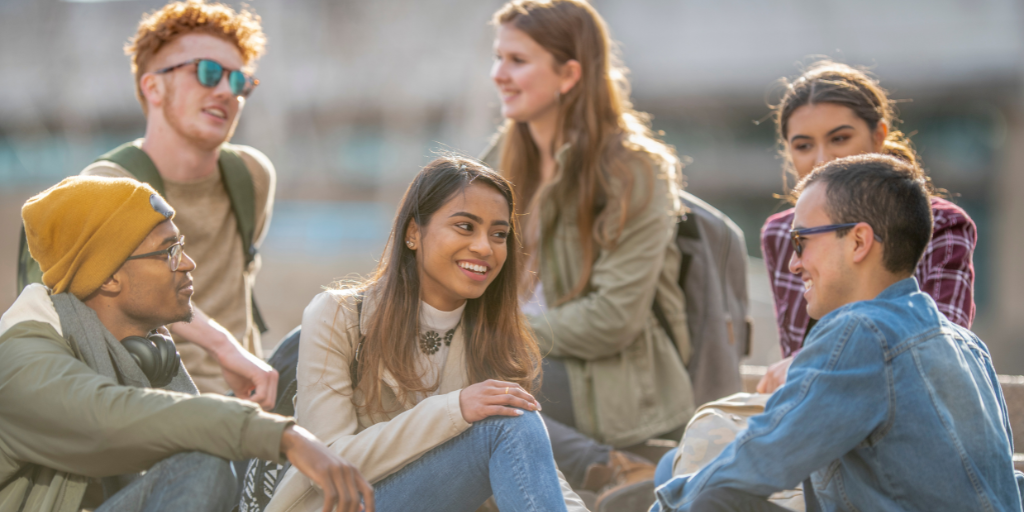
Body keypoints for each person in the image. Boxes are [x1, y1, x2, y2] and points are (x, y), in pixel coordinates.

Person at [653, 154, 1022, 512]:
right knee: (687, 478)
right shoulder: (967, 345)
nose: (793, 264)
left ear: (859, 242)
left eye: (801, 241)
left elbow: (765, 456)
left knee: (713, 500)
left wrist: (662, 506)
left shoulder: (862, 332)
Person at [0, 177, 372, 512]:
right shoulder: (21, 359)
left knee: (296, 350)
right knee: (201, 466)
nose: (188, 263)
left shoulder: (146, 349)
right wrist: (284, 436)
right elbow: (104, 418)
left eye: (181, 247)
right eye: (168, 252)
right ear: (109, 277)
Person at [266, 156, 587, 512]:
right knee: (506, 424)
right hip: (344, 505)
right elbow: (326, 461)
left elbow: (533, 468)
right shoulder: (337, 315)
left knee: (517, 422)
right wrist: (455, 409)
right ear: (413, 233)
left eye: (499, 234)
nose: (485, 247)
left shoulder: (495, 337)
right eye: (465, 226)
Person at [481, 0, 693, 504]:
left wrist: (496, 333)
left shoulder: (634, 169)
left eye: (517, 61)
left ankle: (610, 466)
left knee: (461, 380)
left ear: (569, 73)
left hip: (608, 379)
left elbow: (612, 318)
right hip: (520, 356)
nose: (498, 75)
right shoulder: (502, 156)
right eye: (498, 57)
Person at [81, 0, 280, 401]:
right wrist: (222, 345)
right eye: (207, 72)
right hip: (154, 412)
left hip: (251, 404)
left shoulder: (251, 175)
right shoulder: (107, 184)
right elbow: (133, 296)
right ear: (153, 86)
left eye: (239, 81)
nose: (226, 91)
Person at [757, 60, 977, 393]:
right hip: (821, 410)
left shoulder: (941, 224)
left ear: (878, 136)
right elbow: (794, 352)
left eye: (839, 138)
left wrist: (811, 362)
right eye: (803, 146)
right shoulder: (780, 233)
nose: (822, 159)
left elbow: (941, 350)